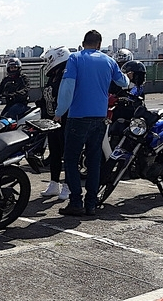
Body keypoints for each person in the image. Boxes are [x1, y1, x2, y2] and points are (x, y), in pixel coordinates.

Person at [54, 30, 129, 217]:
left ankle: (76, 202)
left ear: (83, 43)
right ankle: (91, 203)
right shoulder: (109, 61)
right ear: (99, 44)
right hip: (100, 117)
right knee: (94, 160)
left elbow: (68, 88)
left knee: (71, 160)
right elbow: (123, 82)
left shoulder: (75, 59)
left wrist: (59, 112)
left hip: (78, 117)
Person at [36, 46, 70, 200]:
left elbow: (67, 97)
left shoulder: (66, 75)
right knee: (55, 153)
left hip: (65, 121)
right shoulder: (53, 76)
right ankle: (54, 183)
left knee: (67, 154)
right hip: (52, 122)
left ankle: (68, 185)